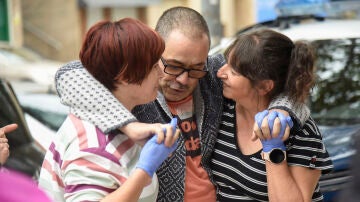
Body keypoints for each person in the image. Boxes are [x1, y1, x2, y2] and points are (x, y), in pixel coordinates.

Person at [54, 7, 311, 201]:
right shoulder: (136, 87)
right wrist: (129, 125)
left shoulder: (213, 75)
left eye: (195, 68)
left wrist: (282, 108)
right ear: (154, 53)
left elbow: (279, 83)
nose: (183, 79)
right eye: (173, 66)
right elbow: (67, 75)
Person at [38, 18, 180, 202]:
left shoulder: (102, 117)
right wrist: (145, 170)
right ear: (124, 75)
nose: (161, 74)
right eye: (154, 67)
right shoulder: (93, 145)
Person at [210, 28, 333, 201]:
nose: (220, 73)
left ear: (264, 86)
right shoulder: (224, 107)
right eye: (226, 63)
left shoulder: (300, 131)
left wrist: (274, 147)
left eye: (234, 72)